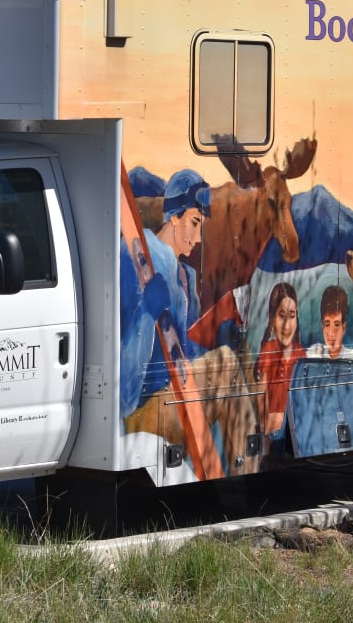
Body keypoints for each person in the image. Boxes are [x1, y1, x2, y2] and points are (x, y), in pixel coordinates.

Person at [120, 168, 257, 475]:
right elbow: (120, 358)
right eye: (194, 223)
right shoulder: (134, 258)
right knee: (226, 365)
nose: (197, 238)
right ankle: (242, 480)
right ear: (173, 217)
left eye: (201, 227)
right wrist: (146, 313)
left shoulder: (184, 275)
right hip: (142, 408)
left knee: (234, 359)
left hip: (174, 396)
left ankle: (229, 475)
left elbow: (185, 355)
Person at [255, 282, 306, 438]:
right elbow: (261, 396)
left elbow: (304, 401)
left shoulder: (301, 355)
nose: (286, 325)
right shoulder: (268, 351)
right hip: (274, 434)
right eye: (281, 316)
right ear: (272, 318)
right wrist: (266, 430)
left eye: (292, 316)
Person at [306, 285, 353, 361]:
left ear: (344, 328)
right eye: (327, 325)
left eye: (336, 325)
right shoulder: (313, 353)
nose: (331, 333)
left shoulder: (352, 358)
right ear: (322, 327)